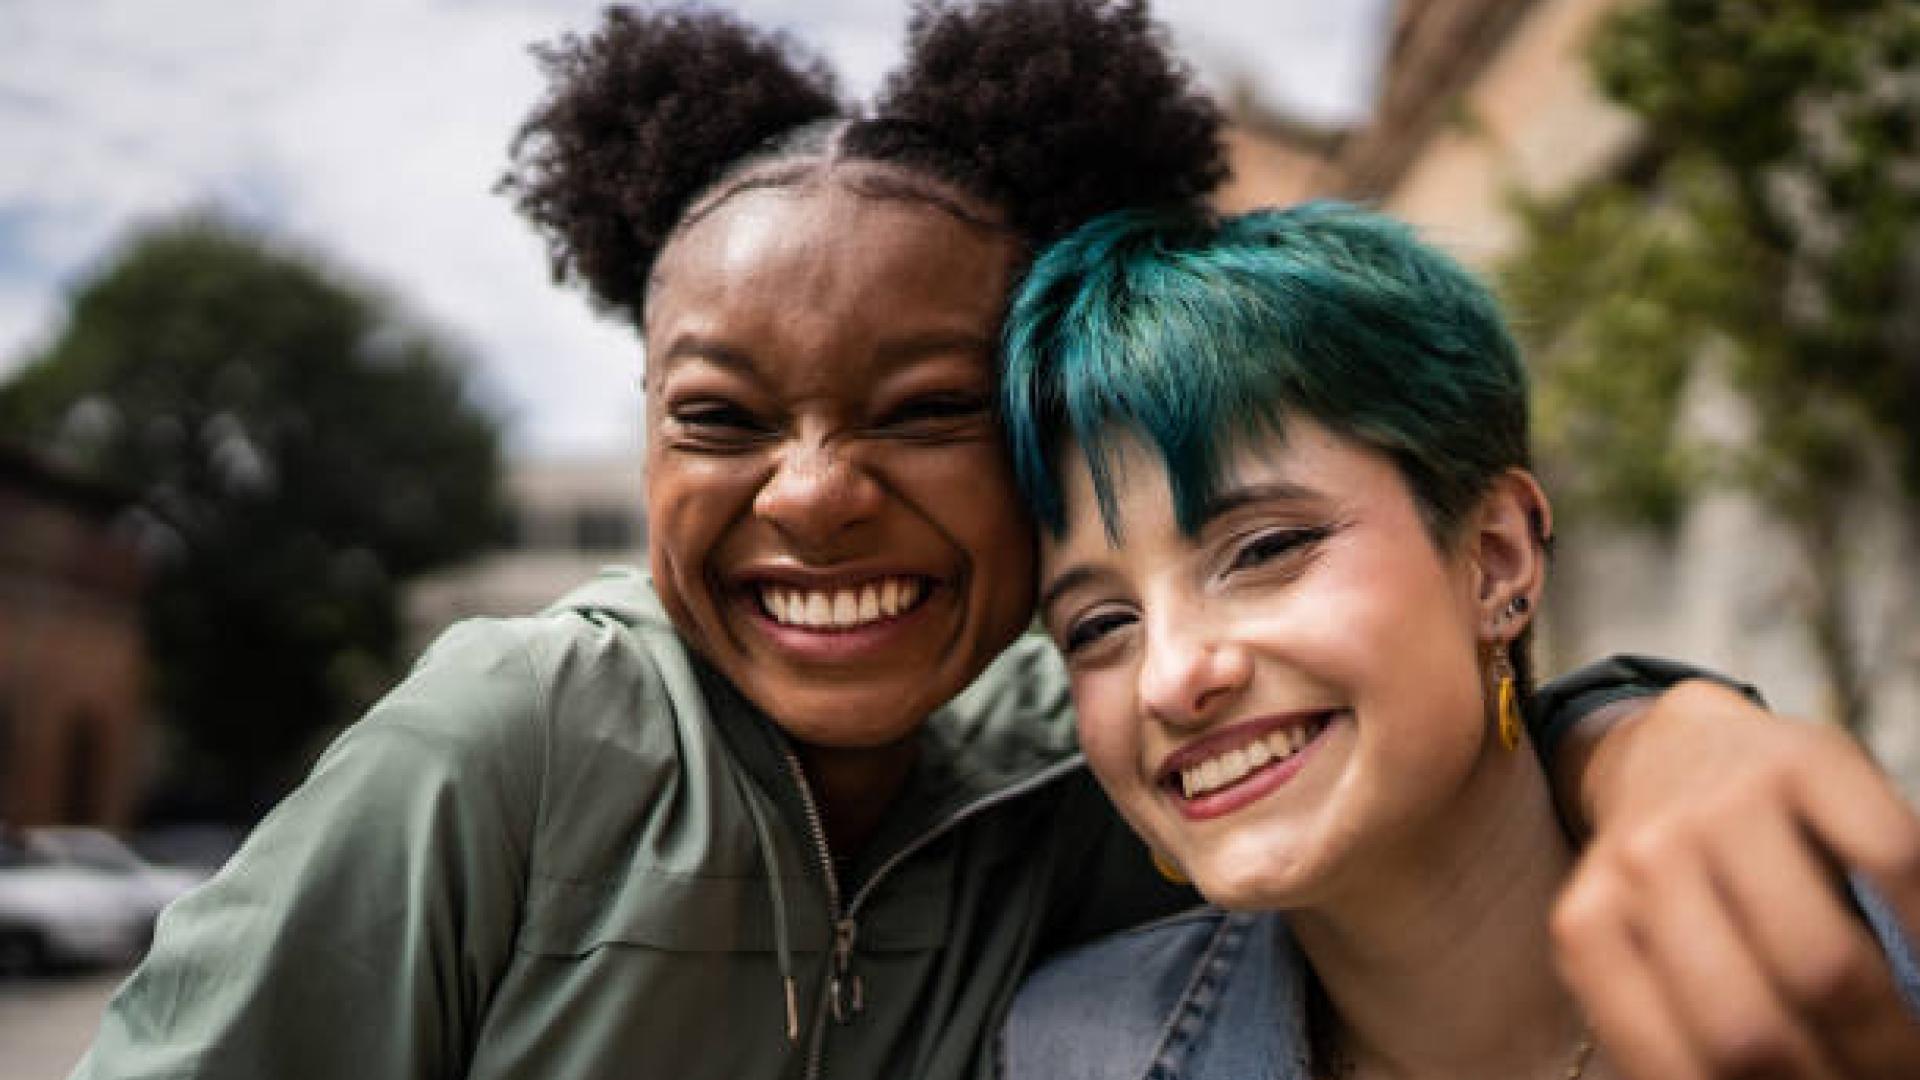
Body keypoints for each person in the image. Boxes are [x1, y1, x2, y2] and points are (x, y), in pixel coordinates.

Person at [68, 4, 1920, 1080]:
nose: (808, 491)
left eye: (926, 410)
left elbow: (1422, 755)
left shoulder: (1080, 790)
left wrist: (1663, 734)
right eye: (719, 418)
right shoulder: (525, 738)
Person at [996, 201, 1920, 1080]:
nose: (1169, 678)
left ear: (1495, 557)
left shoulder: (1867, 952)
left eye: (1267, 549)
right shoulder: (1067, 1050)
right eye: (1100, 626)